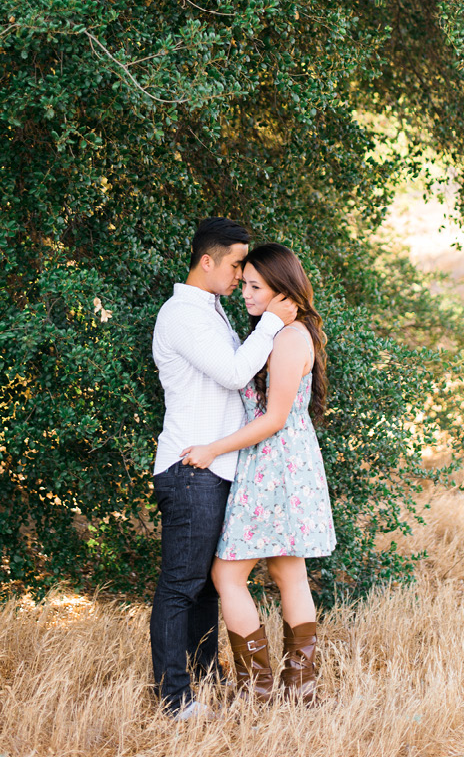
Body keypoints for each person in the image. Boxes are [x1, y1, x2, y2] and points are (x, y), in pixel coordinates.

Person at [150, 218, 298, 720]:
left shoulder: (212, 313)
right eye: (236, 265)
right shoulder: (183, 315)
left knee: (206, 587)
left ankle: (206, 681)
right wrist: (275, 322)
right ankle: (174, 700)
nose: (240, 276)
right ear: (207, 262)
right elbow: (237, 373)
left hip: (214, 466)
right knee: (180, 586)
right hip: (190, 467)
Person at [181, 242, 335, 707]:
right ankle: (294, 691)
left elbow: (273, 419)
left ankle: (262, 688)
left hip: (277, 464)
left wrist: (212, 449)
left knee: (228, 574)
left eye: (255, 287)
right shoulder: (278, 333)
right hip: (274, 463)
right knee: (289, 575)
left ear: (282, 290)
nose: (245, 294)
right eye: (243, 284)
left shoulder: (289, 339)